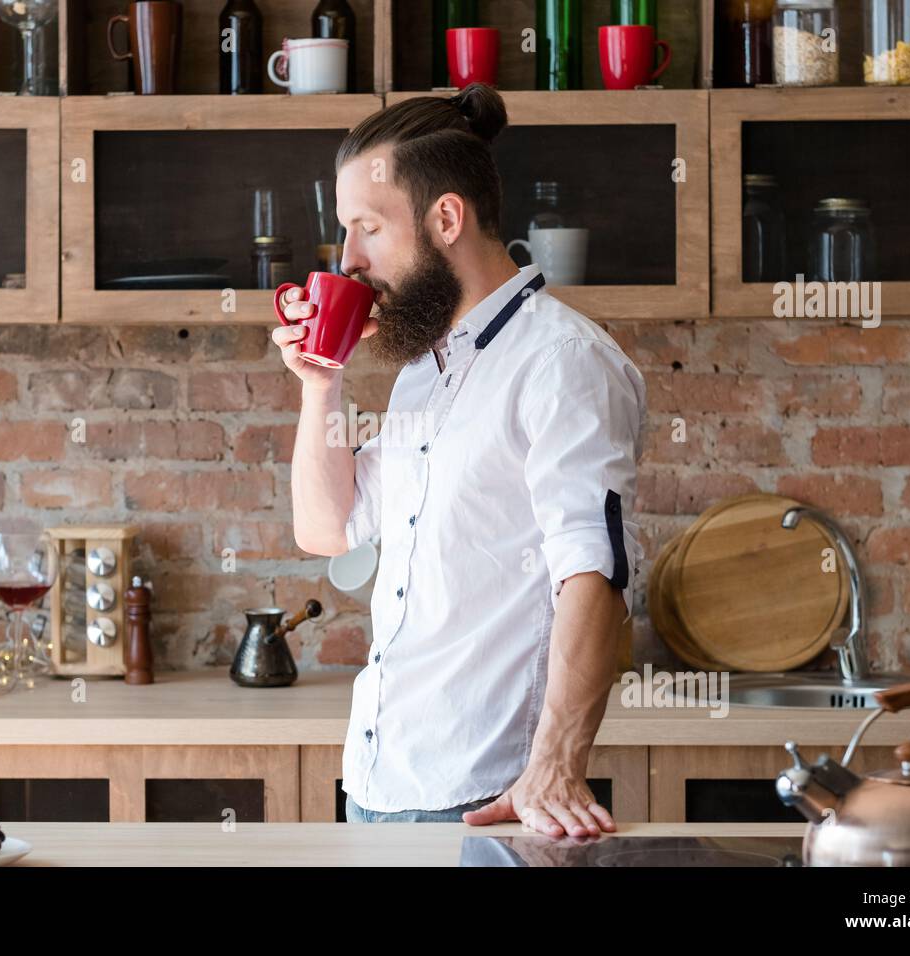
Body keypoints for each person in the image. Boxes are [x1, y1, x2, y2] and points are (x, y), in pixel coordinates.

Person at [271, 83, 647, 836]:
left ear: (446, 218)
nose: (348, 259)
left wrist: (556, 766)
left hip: (486, 801)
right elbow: (327, 527)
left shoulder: (560, 361)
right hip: (381, 786)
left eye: (367, 228)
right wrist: (322, 383)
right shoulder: (426, 371)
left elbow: (596, 571)